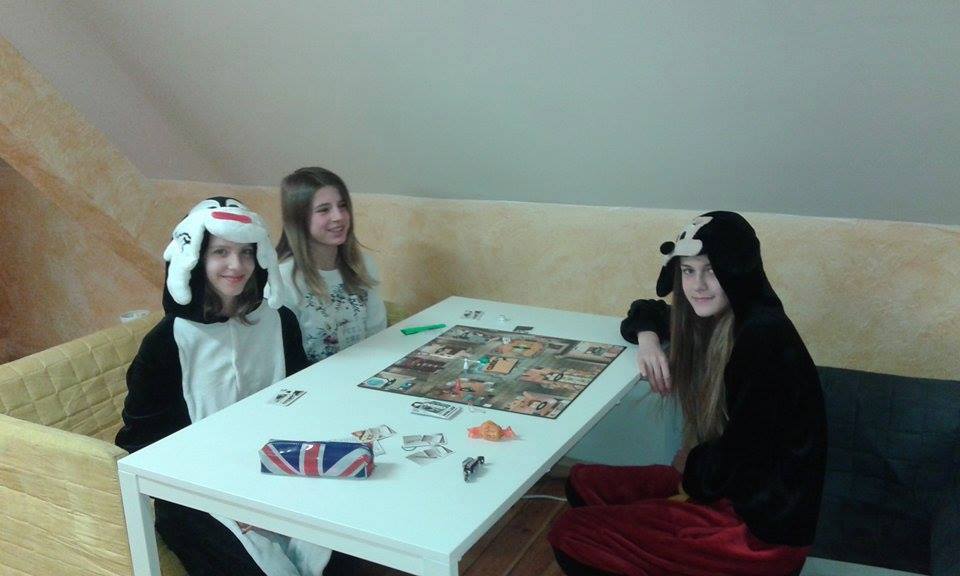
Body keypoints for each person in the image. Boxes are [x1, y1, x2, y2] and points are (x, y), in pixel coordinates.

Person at [548, 211, 827, 576]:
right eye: (688, 271)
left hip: (760, 533)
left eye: (711, 270)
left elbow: (742, 453)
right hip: (725, 486)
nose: (698, 285)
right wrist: (649, 341)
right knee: (582, 481)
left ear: (737, 271)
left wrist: (690, 468)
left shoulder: (763, 337)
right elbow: (645, 310)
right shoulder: (709, 318)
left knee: (570, 533)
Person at [115, 197, 339, 576]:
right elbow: (140, 441)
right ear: (196, 259)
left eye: (246, 253)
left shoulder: (279, 321)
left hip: (282, 465)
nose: (236, 265)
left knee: (340, 546)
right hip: (195, 490)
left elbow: (302, 399)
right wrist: (229, 499)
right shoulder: (166, 342)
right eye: (221, 252)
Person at [276, 166, 387, 363]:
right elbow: (286, 360)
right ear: (299, 219)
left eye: (342, 206)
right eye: (324, 210)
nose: (338, 216)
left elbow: (377, 333)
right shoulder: (283, 280)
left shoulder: (363, 265)